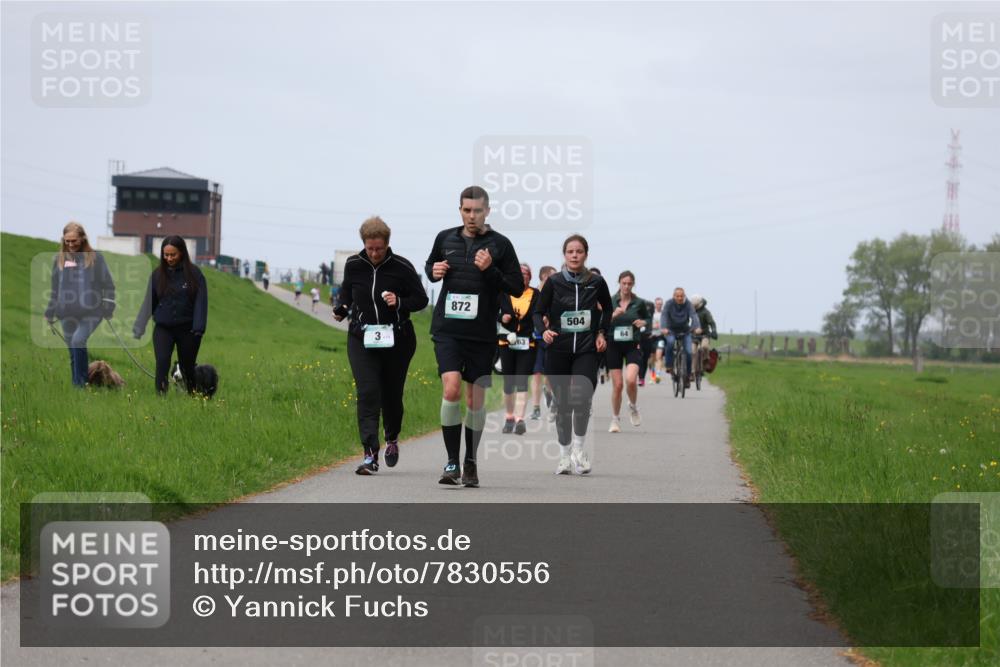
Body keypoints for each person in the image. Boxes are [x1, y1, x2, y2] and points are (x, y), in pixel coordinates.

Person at [425, 185, 523, 487]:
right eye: (466, 210)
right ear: (459, 210)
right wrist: (434, 271)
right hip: (448, 330)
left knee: (474, 400)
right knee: (452, 389)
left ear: (487, 211)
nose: (471, 216)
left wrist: (490, 269)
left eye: (477, 211)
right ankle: (452, 461)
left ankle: (471, 461)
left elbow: (516, 287)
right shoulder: (445, 238)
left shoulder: (501, 245)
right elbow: (430, 267)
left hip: (481, 334)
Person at [335, 216, 429, 475]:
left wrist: (399, 302)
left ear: (387, 244)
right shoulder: (354, 264)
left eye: (379, 248)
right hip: (361, 338)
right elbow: (346, 292)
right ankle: (369, 454)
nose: (374, 253)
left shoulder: (402, 267)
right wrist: (342, 308)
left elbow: (420, 299)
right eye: (370, 248)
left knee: (391, 395)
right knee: (367, 392)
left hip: (397, 339)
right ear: (363, 244)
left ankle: (392, 438)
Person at [535, 235, 612, 475]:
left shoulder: (597, 282)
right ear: (564, 255)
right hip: (559, 349)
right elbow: (538, 312)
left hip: (587, 349)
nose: (575, 255)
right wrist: (544, 331)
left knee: (581, 398)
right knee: (563, 404)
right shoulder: (554, 282)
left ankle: (579, 450)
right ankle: (564, 456)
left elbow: (607, 308)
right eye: (570, 251)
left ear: (586, 254)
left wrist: (601, 332)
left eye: (579, 251)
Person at [44, 222, 116, 388]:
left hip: (92, 312)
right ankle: (78, 387)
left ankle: (81, 386)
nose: (70, 244)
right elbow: (55, 289)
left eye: (74, 240)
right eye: (67, 241)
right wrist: (49, 311)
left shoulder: (96, 258)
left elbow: (109, 285)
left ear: (83, 238)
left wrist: (108, 307)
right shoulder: (59, 260)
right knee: (73, 353)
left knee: (78, 340)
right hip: (66, 313)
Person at [133, 236, 208, 394]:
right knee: (162, 362)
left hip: (188, 330)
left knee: (187, 366)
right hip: (163, 328)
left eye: (173, 255)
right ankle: (161, 398)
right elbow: (149, 303)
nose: (169, 258)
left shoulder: (195, 274)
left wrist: (198, 328)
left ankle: (192, 394)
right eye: (166, 255)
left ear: (182, 253)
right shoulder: (157, 275)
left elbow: (201, 303)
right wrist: (139, 327)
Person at [497, 263, 539, 435]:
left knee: (522, 381)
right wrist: (502, 317)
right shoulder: (504, 292)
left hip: (527, 343)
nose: (523, 276)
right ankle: (509, 416)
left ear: (530, 276)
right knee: (509, 383)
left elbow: (540, 313)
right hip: (506, 342)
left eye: (526, 273)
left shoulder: (535, 294)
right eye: (520, 273)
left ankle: (520, 419)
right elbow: (493, 312)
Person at [607, 271, 650, 433]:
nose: (626, 286)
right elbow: (601, 321)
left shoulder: (638, 303)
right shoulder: (610, 301)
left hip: (632, 344)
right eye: (623, 283)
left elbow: (649, 319)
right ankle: (615, 420)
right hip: (614, 345)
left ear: (633, 284)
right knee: (617, 385)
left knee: (631, 380)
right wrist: (612, 315)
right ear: (619, 283)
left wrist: (643, 322)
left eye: (629, 283)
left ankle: (633, 406)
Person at [530, 265, 557, 420]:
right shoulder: (533, 294)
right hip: (535, 339)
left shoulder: (555, 294)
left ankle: (548, 391)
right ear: (545, 277)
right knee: (537, 373)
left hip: (551, 338)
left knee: (550, 374)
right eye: (553, 276)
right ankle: (535, 407)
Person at [661, 287, 702, 387]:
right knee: (670, 343)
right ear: (674, 296)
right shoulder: (669, 304)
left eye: (681, 296)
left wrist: (697, 327)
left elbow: (694, 316)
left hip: (685, 331)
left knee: (689, 352)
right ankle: (669, 365)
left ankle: (687, 375)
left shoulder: (688, 304)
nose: (679, 298)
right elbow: (664, 315)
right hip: (671, 330)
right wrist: (664, 327)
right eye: (677, 296)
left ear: (684, 296)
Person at [689, 294, 718, 374]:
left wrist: (714, 331)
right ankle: (692, 372)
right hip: (693, 335)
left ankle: (705, 360)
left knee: (704, 347)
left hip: (704, 335)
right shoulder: (691, 312)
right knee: (692, 352)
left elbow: (712, 323)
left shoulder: (705, 312)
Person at [648, 297, 665, 383]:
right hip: (651, 337)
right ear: (655, 304)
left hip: (660, 337)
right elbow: (646, 323)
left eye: (661, 304)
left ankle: (658, 375)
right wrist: (652, 326)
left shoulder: (664, 314)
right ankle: (653, 376)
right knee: (652, 359)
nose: (659, 305)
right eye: (658, 304)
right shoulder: (651, 314)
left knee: (659, 356)